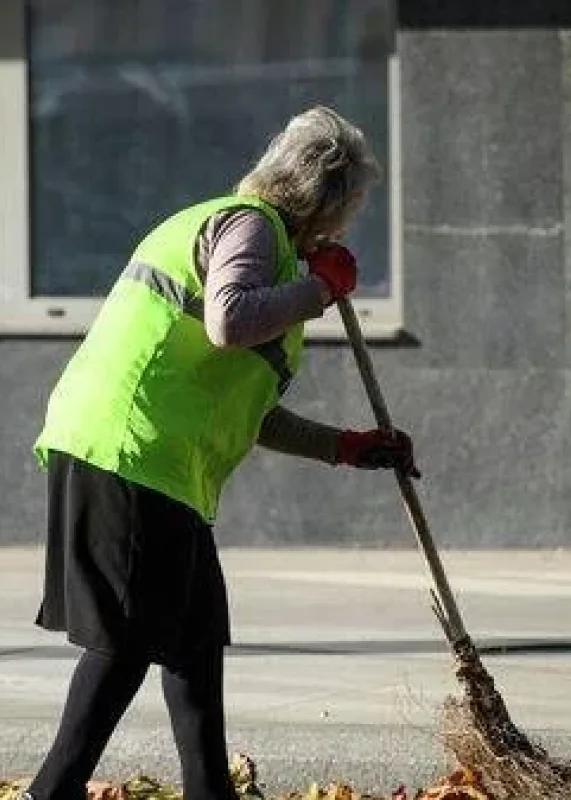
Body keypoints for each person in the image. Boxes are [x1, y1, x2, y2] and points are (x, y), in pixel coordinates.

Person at [24, 106, 419, 800]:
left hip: (161, 465)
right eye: (350, 206)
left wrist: (348, 447)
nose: (347, 224)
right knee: (125, 644)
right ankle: (50, 793)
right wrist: (321, 288)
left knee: (194, 645)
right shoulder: (250, 226)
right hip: (128, 450)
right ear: (325, 198)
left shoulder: (273, 253)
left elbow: (249, 412)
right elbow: (230, 319)